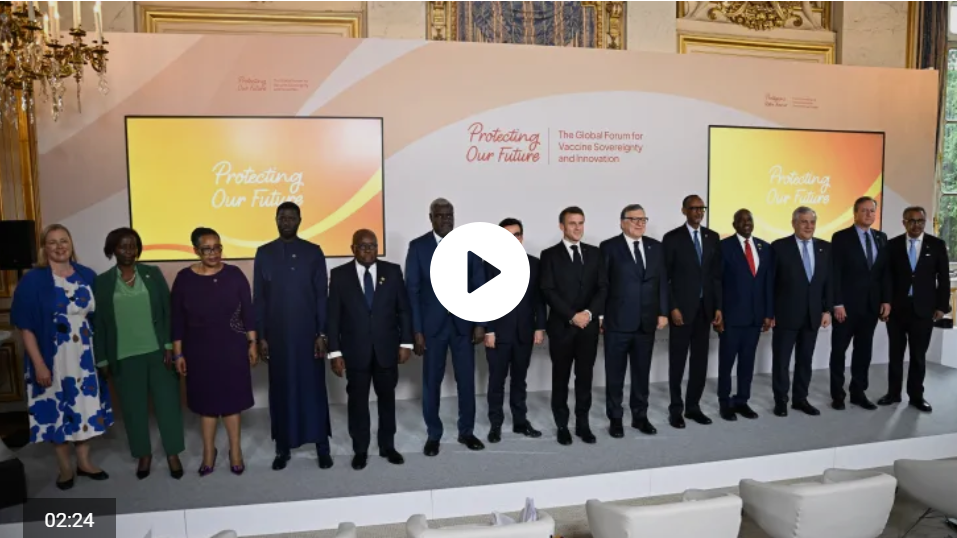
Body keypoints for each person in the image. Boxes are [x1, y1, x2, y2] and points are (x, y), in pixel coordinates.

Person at [11, 224, 113, 490]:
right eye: (52, 242)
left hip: (84, 358)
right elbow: (25, 327)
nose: (59, 247)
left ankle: (84, 462)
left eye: (64, 241)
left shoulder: (87, 275)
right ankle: (65, 467)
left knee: (84, 407)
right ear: (44, 248)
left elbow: (99, 318)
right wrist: (39, 364)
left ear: (71, 244)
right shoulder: (33, 281)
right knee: (57, 410)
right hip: (52, 357)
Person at [93, 227, 185, 480]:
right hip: (123, 356)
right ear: (113, 249)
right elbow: (99, 323)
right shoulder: (102, 282)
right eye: (122, 246)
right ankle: (143, 454)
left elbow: (167, 311)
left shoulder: (152, 273)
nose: (128, 251)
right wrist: (102, 358)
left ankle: (173, 453)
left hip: (158, 353)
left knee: (168, 405)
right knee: (133, 409)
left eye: (133, 246)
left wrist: (169, 346)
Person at [254, 202, 333, 470]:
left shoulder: (313, 252)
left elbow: (322, 295)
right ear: (275, 220)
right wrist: (262, 336)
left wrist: (322, 333)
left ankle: (322, 446)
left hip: (309, 336)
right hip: (277, 337)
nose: (286, 221)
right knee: (281, 390)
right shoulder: (264, 253)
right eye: (282, 217)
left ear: (300, 220)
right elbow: (259, 298)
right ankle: (282, 447)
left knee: (313, 390)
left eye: (291, 217)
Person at [171, 227, 257, 476]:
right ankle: (209, 452)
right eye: (207, 249)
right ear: (196, 250)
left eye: (217, 247)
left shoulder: (234, 275)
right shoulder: (184, 278)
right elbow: (177, 319)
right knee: (206, 403)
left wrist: (252, 342)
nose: (213, 253)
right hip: (198, 350)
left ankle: (235, 451)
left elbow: (248, 311)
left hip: (232, 347)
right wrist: (178, 353)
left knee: (232, 402)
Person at [406, 198, 486, 456]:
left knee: (466, 381)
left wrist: (480, 323)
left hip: (463, 326)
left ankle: (467, 432)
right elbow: (412, 292)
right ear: (431, 218)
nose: (445, 220)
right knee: (431, 382)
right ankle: (434, 434)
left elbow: (479, 286)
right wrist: (417, 331)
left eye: (449, 215)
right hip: (432, 328)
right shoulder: (418, 247)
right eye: (440, 216)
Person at [327, 229, 412, 470]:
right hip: (355, 351)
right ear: (353, 248)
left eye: (373, 246)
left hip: (386, 349)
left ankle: (387, 446)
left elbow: (403, 310)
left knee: (387, 400)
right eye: (363, 246)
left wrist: (405, 343)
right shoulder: (340, 275)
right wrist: (335, 352)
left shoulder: (392, 272)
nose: (368, 250)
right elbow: (333, 317)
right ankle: (360, 449)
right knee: (358, 403)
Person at [540, 206, 607, 445]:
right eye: (572, 223)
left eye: (581, 223)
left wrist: (588, 313)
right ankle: (562, 425)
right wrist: (572, 316)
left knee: (585, 378)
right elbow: (548, 290)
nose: (577, 228)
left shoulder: (595, 253)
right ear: (562, 226)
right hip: (562, 328)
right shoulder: (549, 255)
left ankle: (582, 424)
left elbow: (603, 288)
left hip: (588, 327)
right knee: (560, 378)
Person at [599, 204, 667, 438]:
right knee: (615, 375)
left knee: (641, 374)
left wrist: (663, 311)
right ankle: (615, 418)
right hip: (617, 323)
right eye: (634, 219)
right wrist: (600, 316)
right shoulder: (609, 247)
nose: (640, 223)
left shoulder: (656, 247)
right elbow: (602, 284)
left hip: (646, 323)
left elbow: (662, 282)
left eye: (643, 219)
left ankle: (640, 417)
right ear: (622, 223)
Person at [879, 206, 951, 413]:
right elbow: (886, 277)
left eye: (920, 221)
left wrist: (941, 306)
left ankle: (916, 396)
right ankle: (893, 394)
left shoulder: (936, 245)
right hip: (896, 310)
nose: (916, 225)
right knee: (895, 355)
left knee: (918, 356)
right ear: (904, 222)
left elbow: (943, 278)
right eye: (912, 221)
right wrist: (885, 302)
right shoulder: (892, 245)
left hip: (924, 310)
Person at [483, 218, 547, 443]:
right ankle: (496, 424)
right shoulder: (487, 264)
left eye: (517, 234)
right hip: (498, 334)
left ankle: (520, 421)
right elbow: (484, 299)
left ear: (522, 237)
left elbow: (539, 299)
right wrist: (488, 330)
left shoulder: (534, 263)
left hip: (524, 333)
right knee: (496, 382)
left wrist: (540, 326)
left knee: (519, 381)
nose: (513, 239)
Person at [663, 194, 722, 428]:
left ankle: (693, 407)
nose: (698, 212)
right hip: (681, 311)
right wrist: (672, 307)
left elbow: (716, 277)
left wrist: (718, 307)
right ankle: (676, 409)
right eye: (694, 208)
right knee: (677, 362)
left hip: (705, 311)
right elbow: (665, 278)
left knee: (700, 362)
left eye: (701, 208)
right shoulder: (672, 238)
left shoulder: (712, 237)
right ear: (684, 210)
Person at [829, 197, 891, 411]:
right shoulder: (841, 237)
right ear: (855, 213)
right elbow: (835, 272)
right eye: (864, 210)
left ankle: (858, 392)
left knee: (863, 351)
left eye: (872, 211)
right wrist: (837, 303)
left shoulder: (881, 237)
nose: (868, 214)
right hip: (845, 307)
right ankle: (838, 394)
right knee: (839, 351)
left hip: (871, 306)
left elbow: (885, 273)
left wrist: (886, 300)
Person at [770, 207, 833, 417]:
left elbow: (829, 283)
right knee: (781, 361)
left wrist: (827, 310)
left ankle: (800, 399)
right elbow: (770, 283)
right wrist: (770, 312)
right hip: (785, 315)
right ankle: (781, 400)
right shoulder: (779, 247)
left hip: (813, 315)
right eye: (804, 222)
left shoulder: (825, 248)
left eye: (812, 222)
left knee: (805, 360)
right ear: (794, 223)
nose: (809, 226)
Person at [716, 209, 773, 421]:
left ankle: (742, 400)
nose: (746, 223)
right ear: (734, 225)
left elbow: (768, 283)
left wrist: (768, 313)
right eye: (741, 220)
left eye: (749, 219)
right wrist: (718, 311)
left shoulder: (764, 247)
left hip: (755, 318)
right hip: (730, 318)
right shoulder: (723, 247)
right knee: (726, 363)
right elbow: (717, 282)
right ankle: (724, 402)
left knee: (747, 362)